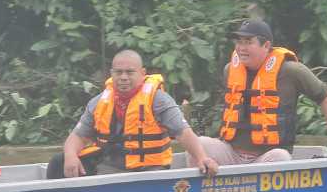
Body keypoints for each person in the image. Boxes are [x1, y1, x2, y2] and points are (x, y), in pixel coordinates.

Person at [188, 19, 327, 166]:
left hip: (267, 156)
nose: (241, 48)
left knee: (281, 157)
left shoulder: (292, 71)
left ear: (266, 45)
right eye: (239, 42)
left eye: (248, 42)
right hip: (231, 154)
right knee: (198, 144)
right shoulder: (230, 70)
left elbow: (325, 96)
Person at [47, 49, 218, 179]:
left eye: (129, 72)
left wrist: (202, 158)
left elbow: (183, 133)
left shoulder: (159, 100)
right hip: (110, 169)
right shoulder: (99, 101)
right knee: (59, 162)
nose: (123, 77)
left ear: (142, 74)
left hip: (150, 171)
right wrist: (70, 155)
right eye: (118, 72)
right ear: (111, 74)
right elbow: (77, 137)